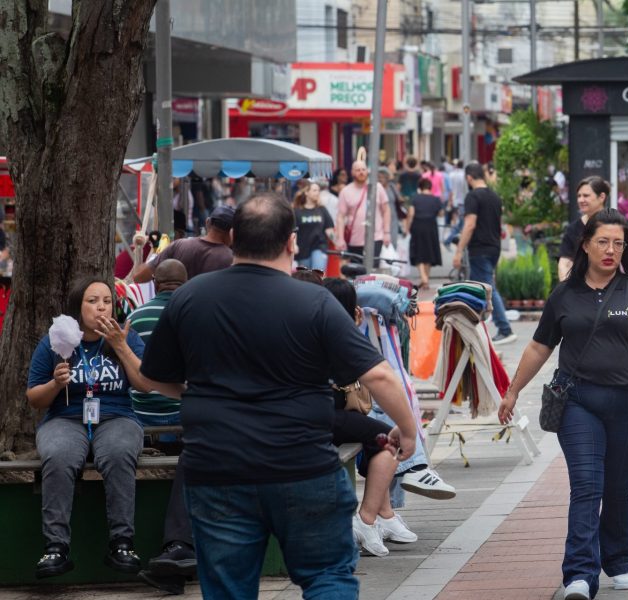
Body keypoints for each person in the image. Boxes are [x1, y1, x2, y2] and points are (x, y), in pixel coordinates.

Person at [138, 193, 420, 598]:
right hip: (302, 464)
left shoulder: (189, 297)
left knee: (228, 588)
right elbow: (379, 374)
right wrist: (406, 431)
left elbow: (153, 378)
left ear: (233, 238)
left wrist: (198, 393)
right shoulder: (315, 301)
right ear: (292, 242)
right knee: (328, 576)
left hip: (217, 469)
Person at [497, 208, 628, 600]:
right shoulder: (564, 295)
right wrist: (512, 390)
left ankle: (621, 560)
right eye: (603, 242)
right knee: (587, 485)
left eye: (618, 244)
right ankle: (579, 573)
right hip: (579, 401)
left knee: (618, 484)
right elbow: (540, 346)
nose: (610, 250)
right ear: (586, 245)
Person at [313, 276, 452, 558]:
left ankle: (384, 514)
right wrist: (408, 429)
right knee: (389, 440)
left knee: (378, 436)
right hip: (325, 417)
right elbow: (379, 377)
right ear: (352, 310)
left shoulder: (310, 328)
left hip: (311, 414)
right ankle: (366, 518)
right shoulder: (340, 335)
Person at [26, 277, 154, 579]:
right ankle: (56, 547)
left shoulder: (125, 336)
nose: (101, 307)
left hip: (116, 416)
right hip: (65, 418)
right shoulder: (56, 340)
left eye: (107, 301)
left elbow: (146, 384)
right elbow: (34, 399)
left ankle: (122, 543)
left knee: (120, 452)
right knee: (57, 455)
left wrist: (121, 347)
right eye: (93, 301)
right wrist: (55, 384)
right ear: (77, 306)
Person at [124, 259, 194, 594]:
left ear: (154, 281)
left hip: (144, 418)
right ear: (187, 282)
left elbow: (138, 380)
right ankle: (178, 554)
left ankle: (176, 555)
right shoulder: (196, 315)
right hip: (185, 417)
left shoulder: (135, 317)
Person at [454, 162, 515, 345]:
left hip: (479, 248)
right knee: (482, 287)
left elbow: (470, 224)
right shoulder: (494, 197)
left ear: (469, 178)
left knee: (487, 288)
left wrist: (458, 251)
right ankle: (476, 326)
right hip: (493, 247)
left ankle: (504, 328)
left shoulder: (473, 197)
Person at [130, 205, 235, 283]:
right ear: (232, 232)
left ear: (207, 223)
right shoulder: (231, 259)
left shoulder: (180, 245)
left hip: (178, 310)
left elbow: (139, 276)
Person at [335, 160, 392, 264]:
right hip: (354, 240)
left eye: (363, 169)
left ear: (367, 171)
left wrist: (387, 232)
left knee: (371, 269)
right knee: (358, 272)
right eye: (358, 170)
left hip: (375, 237)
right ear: (352, 172)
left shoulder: (377, 187)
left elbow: (386, 210)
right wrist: (340, 238)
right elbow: (340, 217)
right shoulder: (345, 191)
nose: (361, 172)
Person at [559, 176, 610, 281]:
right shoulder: (573, 229)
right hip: (580, 291)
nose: (580, 200)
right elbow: (564, 263)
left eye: (586, 196)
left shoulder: (619, 224)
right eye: (579, 196)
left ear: (601, 197)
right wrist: (566, 290)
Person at [405, 178, 443, 289]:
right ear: (430, 187)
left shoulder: (415, 199)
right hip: (431, 227)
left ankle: (424, 278)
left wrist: (407, 228)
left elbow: (411, 214)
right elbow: (441, 214)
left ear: (420, 187)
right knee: (429, 252)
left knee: (418, 252)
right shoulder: (436, 199)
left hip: (418, 226)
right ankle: (425, 278)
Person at [293, 179, 336, 273]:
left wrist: (337, 242)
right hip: (303, 249)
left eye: (318, 191)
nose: (317, 193)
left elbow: (329, 230)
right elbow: (293, 231)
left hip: (319, 247)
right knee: (305, 279)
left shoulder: (322, 210)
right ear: (307, 192)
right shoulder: (297, 211)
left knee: (317, 274)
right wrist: (294, 245)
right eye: (314, 190)